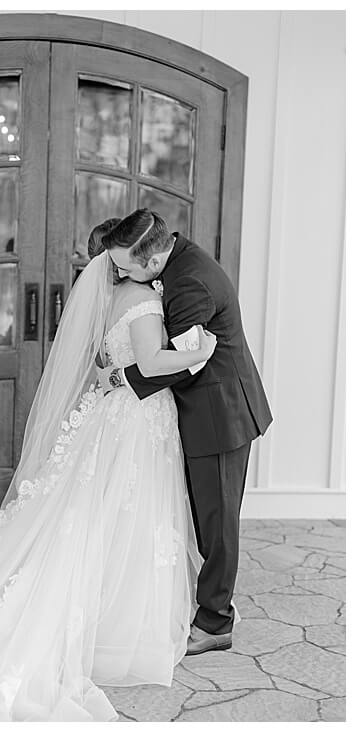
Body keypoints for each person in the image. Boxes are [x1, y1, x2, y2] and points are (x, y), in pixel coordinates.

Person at [0, 217, 217, 722]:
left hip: (120, 415)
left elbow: (111, 362)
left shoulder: (111, 301)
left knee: (107, 519)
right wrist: (197, 353)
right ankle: (121, 633)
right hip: (138, 422)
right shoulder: (142, 303)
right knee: (131, 518)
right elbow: (150, 360)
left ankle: (112, 622)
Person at [98, 209, 272, 655]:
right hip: (204, 408)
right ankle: (205, 608)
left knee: (217, 526)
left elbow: (178, 361)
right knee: (203, 518)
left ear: (153, 263)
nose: (118, 273)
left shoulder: (189, 282)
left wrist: (119, 379)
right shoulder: (178, 260)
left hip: (219, 413)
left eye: (124, 266)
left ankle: (215, 623)